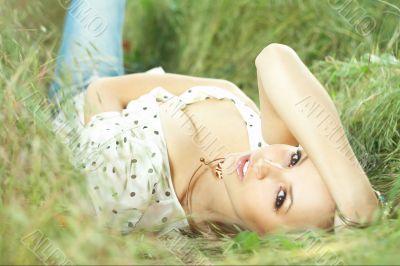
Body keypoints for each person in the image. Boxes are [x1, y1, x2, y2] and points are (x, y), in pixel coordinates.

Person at [50, 0, 380, 237]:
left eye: (280, 198)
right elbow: (273, 58)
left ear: (273, 241)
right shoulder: (263, 144)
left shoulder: (127, 188)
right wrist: (356, 203)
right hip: (118, 93)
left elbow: (100, 91)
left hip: (80, 94)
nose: (267, 165)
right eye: (295, 159)